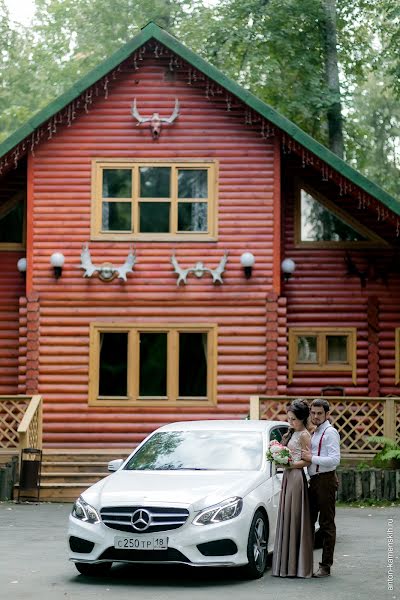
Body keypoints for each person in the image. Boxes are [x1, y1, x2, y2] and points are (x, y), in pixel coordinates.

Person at [272, 399, 313, 578]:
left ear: (303, 419)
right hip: (287, 477)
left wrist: (289, 464)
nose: (290, 422)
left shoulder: (304, 435)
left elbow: (307, 460)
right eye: (289, 418)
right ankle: (285, 566)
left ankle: (297, 566)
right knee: (286, 516)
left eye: (294, 419)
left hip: (296, 477)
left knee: (295, 517)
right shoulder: (291, 432)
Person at [301, 398, 340, 578]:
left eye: (319, 413)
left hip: (325, 481)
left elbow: (334, 460)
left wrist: (311, 459)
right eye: (313, 413)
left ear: (327, 414)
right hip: (314, 481)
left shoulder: (330, 433)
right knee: (308, 522)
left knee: (326, 525)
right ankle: (305, 563)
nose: (315, 416)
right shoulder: (314, 431)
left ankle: (325, 566)